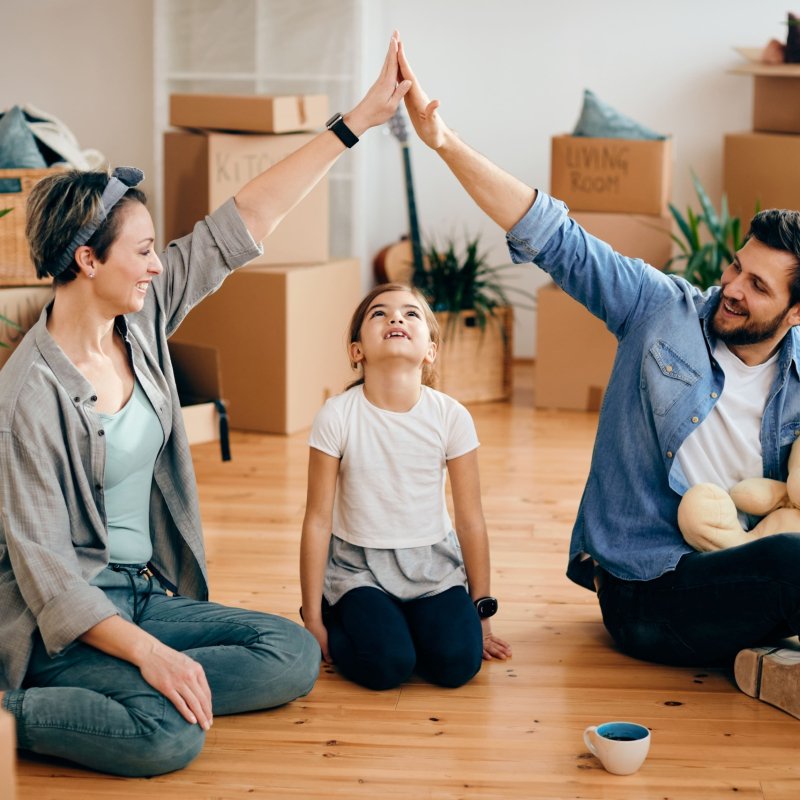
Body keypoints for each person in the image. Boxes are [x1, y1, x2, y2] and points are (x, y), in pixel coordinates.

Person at [0, 34, 412, 778]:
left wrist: (356, 123)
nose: (161, 264)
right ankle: (16, 710)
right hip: (58, 624)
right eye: (144, 251)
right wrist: (152, 657)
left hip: (143, 594)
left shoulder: (141, 321)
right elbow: (49, 577)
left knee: (289, 653)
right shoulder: (26, 395)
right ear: (87, 261)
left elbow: (242, 221)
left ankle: (146, 691)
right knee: (166, 737)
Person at [396, 39, 800, 719]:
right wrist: (443, 142)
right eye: (735, 267)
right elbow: (551, 233)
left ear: (796, 312)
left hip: (740, 561)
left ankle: (764, 642)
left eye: (757, 286)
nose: (730, 287)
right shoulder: (660, 310)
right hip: (649, 590)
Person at [299, 283, 511, 691]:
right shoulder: (336, 416)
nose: (396, 318)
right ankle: (343, 613)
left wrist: (481, 612)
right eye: (379, 313)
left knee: (458, 665)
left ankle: (407, 625)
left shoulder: (451, 416)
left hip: (432, 567)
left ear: (430, 349)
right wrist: (312, 618)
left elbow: (470, 520)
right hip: (359, 569)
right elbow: (317, 520)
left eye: (411, 313)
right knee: (387, 666)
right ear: (356, 351)